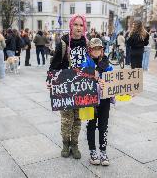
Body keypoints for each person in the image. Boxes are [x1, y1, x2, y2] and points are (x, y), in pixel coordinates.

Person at [48, 14, 89, 159]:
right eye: (75, 24)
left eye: (81, 25)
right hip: (65, 86)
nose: (78, 28)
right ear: (71, 26)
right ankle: (65, 143)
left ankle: (75, 144)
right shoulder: (63, 43)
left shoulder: (87, 43)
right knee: (66, 118)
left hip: (81, 87)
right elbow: (54, 65)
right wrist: (51, 81)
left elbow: (95, 63)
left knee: (78, 118)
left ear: (84, 27)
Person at [80, 38, 113, 166]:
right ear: (89, 49)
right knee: (91, 125)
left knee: (104, 126)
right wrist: (93, 77)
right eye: (94, 48)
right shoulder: (85, 62)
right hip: (90, 100)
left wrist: (107, 83)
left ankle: (103, 152)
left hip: (104, 100)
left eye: (99, 48)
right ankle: (93, 151)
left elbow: (113, 79)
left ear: (102, 50)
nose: (96, 50)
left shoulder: (107, 63)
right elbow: (81, 77)